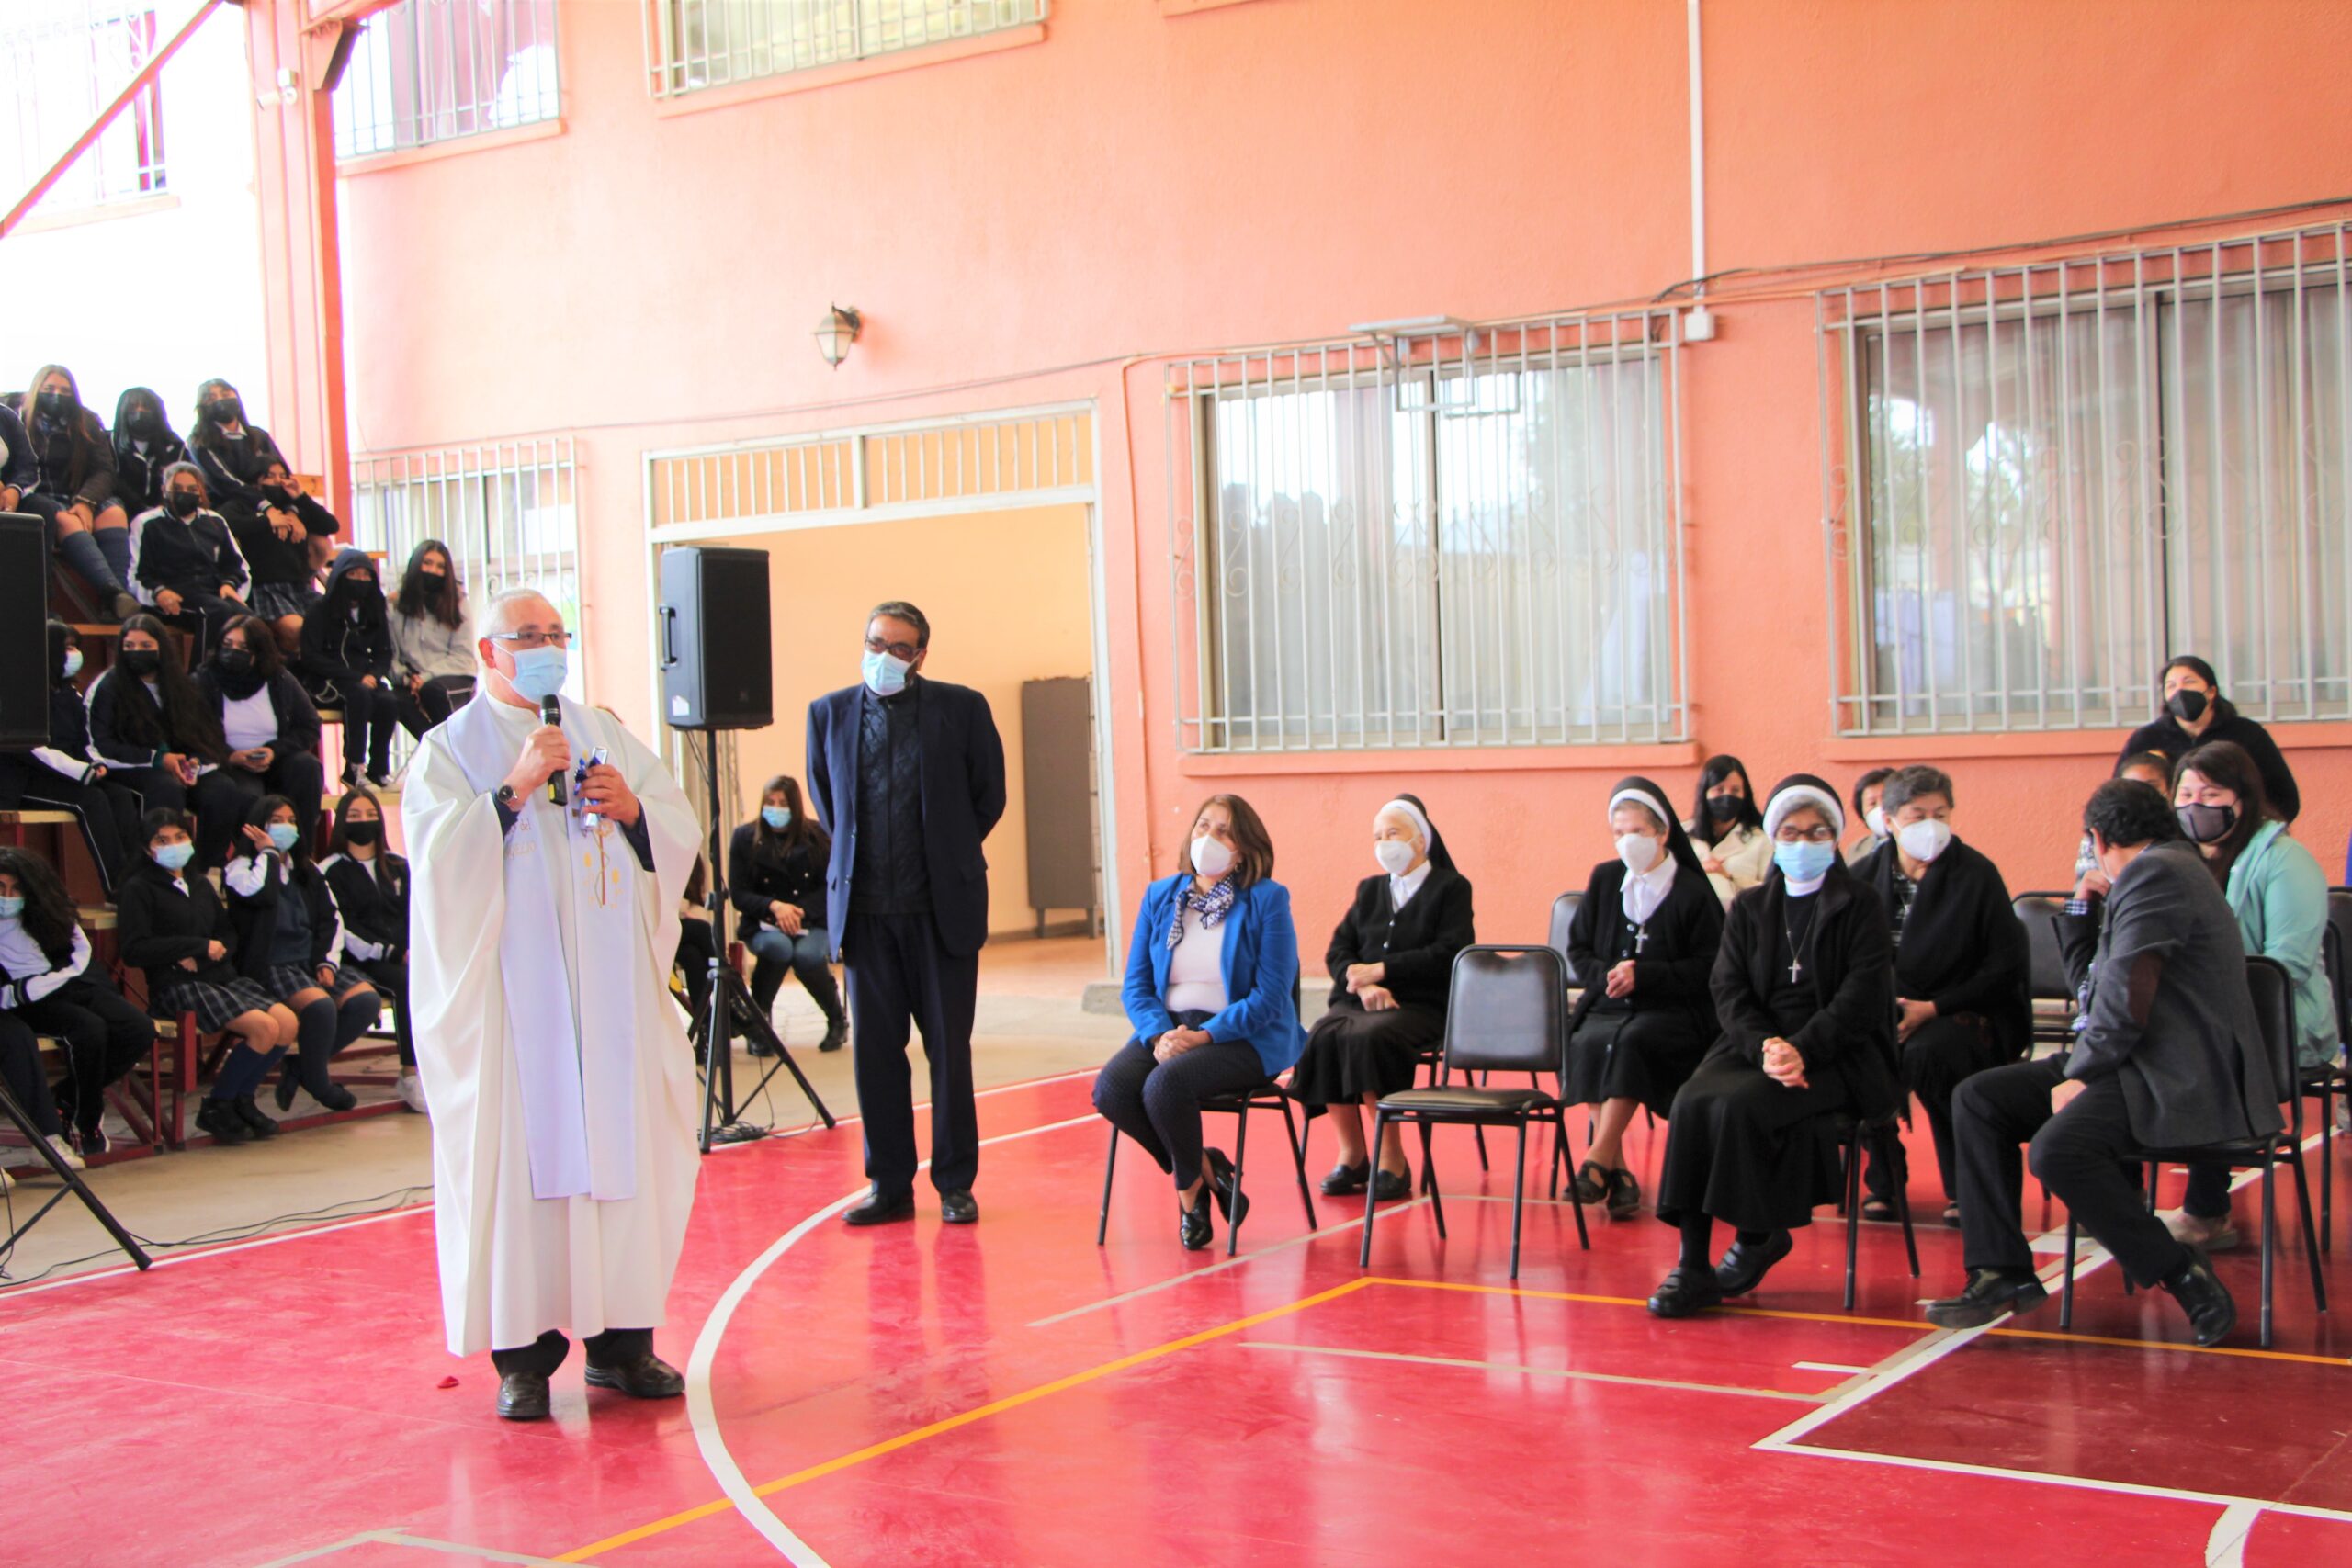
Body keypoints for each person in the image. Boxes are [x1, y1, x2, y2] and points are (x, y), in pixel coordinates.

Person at [404, 587, 702, 1421]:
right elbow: (435, 871)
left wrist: (635, 811)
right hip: (515, 1010)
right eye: (526, 635)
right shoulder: (448, 750)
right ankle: (525, 1360)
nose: (545, 647)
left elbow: (674, 826)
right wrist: (513, 789)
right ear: (488, 652)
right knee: (519, 1176)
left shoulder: (601, 729)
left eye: (554, 633)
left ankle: (622, 1345)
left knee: (620, 1159)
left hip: (607, 1004)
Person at [1925, 780, 2277, 1347]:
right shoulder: (2158, 871)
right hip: (2137, 1060)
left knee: (2059, 1149)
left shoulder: (2159, 875)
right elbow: (2092, 993)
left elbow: (2126, 1001)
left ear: (2098, 838)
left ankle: (2181, 1271)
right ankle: (2000, 1271)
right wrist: (2080, 909)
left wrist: (2079, 1074)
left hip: (2178, 1072)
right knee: (1980, 1098)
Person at [1646, 774, 1898, 1318]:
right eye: (1790, 832)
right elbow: (1727, 987)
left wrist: (1803, 1049)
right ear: (1774, 838)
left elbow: (1863, 996)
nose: (1803, 843)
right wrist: (1766, 1046)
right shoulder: (1752, 905)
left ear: (1834, 838)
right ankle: (1693, 1264)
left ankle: (1756, 1235)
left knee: (1742, 1105)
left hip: (1839, 1051)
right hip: (1757, 1043)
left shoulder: (1861, 904)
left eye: (1816, 832)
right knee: (1692, 1100)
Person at [807, 601, 1006, 1228]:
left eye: (898, 648)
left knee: (948, 1052)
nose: (884, 656)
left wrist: (947, 853)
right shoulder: (828, 713)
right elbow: (828, 803)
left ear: (920, 655)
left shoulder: (962, 708)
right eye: (876, 643)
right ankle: (889, 1184)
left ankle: (955, 1183)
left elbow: (988, 796)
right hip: (866, 915)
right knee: (875, 1056)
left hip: (938, 911)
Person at [1095, 795, 1306, 1249]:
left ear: (1244, 848)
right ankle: (1208, 1169)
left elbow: (1271, 996)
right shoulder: (1161, 896)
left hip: (1243, 1037)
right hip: (1169, 1029)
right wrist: (1159, 1036)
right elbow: (1136, 986)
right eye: (1203, 826)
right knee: (1111, 1089)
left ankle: (1190, 1202)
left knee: (1164, 1086)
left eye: (1223, 831)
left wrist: (1206, 1036)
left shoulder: (1267, 899)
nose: (1208, 837)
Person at [2160, 741, 2336, 1253]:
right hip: (2211, 1017)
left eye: (2211, 794)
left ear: (2244, 798)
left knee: (2204, 1052)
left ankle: (2206, 1211)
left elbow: (2286, 967)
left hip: (2283, 1023)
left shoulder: (2285, 860)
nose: (2195, 805)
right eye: (2185, 794)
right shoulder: (2181, 860)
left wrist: (2209, 1002)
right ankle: (2123, 1193)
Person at [1853, 766, 2030, 1227]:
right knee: (1860, 1050)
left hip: (1962, 1009)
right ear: (1888, 820)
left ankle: (1962, 1185)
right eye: (1917, 816)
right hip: (1884, 1009)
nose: (1931, 825)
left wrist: (1933, 1008)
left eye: (1940, 814)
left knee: (1931, 1054)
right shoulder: (1860, 878)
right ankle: (1884, 1178)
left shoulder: (1976, 875)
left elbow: (2004, 967)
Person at [1288, 795, 1474, 1202]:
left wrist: (1384, 971)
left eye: (1394, 833)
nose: (1384, 842)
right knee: (1321, 1036)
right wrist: (1363, 984)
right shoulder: (1370, 890)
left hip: (1421, 1005)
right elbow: (1340, 950)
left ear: (1420, 839)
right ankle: (1353, 1154)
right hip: (1361, 1001)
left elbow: (1451, 951)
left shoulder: (1451, 888)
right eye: (1378, 836)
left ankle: (1392, 1159)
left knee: (1369, 1039)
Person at [1561, 778, 1724, 1220]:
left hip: (1673, 1010)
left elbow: (1709, 965)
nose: (1627, 841)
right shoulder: (1605, 879)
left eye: (1637, 831)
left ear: (1663, 833)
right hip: (1607, 1003)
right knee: (1588, 1041)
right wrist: (1608, 977)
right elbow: (1578, 949)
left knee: (1630, 1042)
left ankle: (1597, 1159)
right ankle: (1615, 1171)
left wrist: (1645, 976)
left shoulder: (1692, 891)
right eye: (1619, 833)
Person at [115, 807, 300, 1146]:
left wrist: (205, 954)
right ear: (147, 849)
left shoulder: (199, 883)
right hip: (175, 985)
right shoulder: (138, 889)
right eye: (162, 841)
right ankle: (218, 1104)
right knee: (263, 1027)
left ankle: (242, 1099)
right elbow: (134, 949)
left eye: (179, 837)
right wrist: (195, 946)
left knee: (286, 1022)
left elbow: (227, 934)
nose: (173, 845)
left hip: (217, 974)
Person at [224, 795, 379, 1116]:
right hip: (272, 964)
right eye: (276, 821)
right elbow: (261, 895)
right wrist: (268, 853)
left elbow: (330, 918)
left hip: (309, 960)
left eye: (291, 821)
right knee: (320, 1007)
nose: (286, 827)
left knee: (365, 1001)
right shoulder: (240, 869)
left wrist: (326, 961)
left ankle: (303, 1065)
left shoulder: (307, 869)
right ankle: (319, 1081)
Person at [0, 848, 153, 1158]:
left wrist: (48, 982)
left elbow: (78, 954)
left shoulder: (47, 911)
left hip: (66, 981)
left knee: (138, 1028)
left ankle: (66, 1098)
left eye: (16, 889)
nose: (8, 897)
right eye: (1, 888)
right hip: (22, 998)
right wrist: (22, 992)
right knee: (88, 1029)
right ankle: (86, 1120)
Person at [85, 614, 249, 869]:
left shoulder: (182, 684)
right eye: (129, 646)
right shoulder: (107, 686)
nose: (137, 652)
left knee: (223, 790)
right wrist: (159, 760)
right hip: (130, 767)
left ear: (161, 647)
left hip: (180, 766)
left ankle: (208, 869)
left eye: (145, 645)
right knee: (165, 788)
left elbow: (204, 735)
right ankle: (158, 869)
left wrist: (194, 763)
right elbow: (100, 746)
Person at [0, 620, 133, 895]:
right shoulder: (19, 695)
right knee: (91, 800)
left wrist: (94, 764)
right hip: (22, 782)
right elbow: (30, 747)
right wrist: (81, 772)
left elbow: (84, 741)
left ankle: (136, 877)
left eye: (75, 647)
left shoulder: (70, 694)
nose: (74, 654)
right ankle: (117, 887)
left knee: (120, 794)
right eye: (67, 648)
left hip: (65, 774)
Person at [320, 789, 423, 1114]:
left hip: (407, 953)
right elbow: (341, 925)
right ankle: (410, 1072)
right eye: (354, 816)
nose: (363, 821)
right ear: (341, 822)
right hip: (360, 959)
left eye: (370, 814)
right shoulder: (329, 870)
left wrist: (416, 948)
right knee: (406, 981)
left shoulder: (399, 865)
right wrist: (391, 952)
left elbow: (417, 912)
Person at [729, 775, 849, 1053]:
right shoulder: (744, 838)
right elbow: (739, 893)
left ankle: (836, 1019)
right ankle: (758, 1026)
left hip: (812, 920)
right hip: (764, 923)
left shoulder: (817, 835)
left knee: (806, 954)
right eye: (770, 802)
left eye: (783, 803)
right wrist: (775, 907)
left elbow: (829, 886)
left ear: (795, 805)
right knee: (778, 947)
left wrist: (798, 911)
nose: (776, 808)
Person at [192, 614, 328, 840]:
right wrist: (231, 756)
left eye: (243, 648)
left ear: (259, 652)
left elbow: (310, 725)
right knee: (248, 798)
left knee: (307, 767)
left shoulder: (279, 679)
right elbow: (194, 733)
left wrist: (274, 750)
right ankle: (252, 855)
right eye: (227, 645)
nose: (232, 652)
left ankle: (301, 850)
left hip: (274, 759)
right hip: (227, 762)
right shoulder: (203, 681)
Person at [16, 365, 137, 618]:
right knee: (67, 521)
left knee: (114, 513)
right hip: (40, 496)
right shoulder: (18, 420)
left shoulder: (87, 422)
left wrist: (86, 501)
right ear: (37, 389)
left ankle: (118, 604)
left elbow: (104, 469)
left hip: (81, 494)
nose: (57, 395)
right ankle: (112, 591)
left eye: (65, 391)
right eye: (50, 389)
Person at [2120, 655, 2299, 821]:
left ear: (2211, 691)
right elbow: (2119, 794)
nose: (2180, 691)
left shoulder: (2248, 734)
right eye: (2171, 686)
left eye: (2189, 682)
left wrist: (2251, 829)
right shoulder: (2145, 739)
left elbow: (2283, 797)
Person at [299, 548, 401, 787]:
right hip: (327, 680)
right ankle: (354, 767)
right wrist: (355, 677)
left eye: (366, 576)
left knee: (389, 702)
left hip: (365, 678)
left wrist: (374, 674)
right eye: (354, 574)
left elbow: (384, 652)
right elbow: (311, 656)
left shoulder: (374, 610)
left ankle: (379, 769)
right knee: (359, 696)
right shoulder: (319, 610)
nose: (360, 580)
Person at [128, 462, 251, 653]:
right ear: (164, 490)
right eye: (177, 488)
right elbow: (137, 574)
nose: (185, 493)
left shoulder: (215, 521)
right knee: (216, 611)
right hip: (172, 595)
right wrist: (159, 592)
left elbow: (237, 565)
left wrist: (230, 584)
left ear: (201, 492)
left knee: (249, 621)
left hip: (214, 592)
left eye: (192, 489)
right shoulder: (147, 523)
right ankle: (201, 671)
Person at [225, 457, 337, 658]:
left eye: (282, 476)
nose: (277, 481)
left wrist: (300, 497)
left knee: (335, 621)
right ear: (256, 480)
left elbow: (330, 525)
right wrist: (267, 521)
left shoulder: (293, 508)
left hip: (299, 586)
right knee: (295, 629)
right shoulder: (243, 505)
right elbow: (225, 522)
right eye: (270, 476)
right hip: (265, 588)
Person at [388, 538, 477, 737]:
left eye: (440, 566)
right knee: (393, 700)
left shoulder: (458, 603)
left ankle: (450, 746)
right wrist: (407, 679)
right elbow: (391, 655)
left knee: (432, 691)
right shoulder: (395, 604)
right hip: (412, 678)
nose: (433, 571)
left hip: (451, 675)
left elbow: (462, 656)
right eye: (427, 563)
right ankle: (434, 747)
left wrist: (426, 677)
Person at [186, 378, 289, 532]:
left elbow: (283, 474)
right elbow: (224, 482)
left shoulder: (259, 436)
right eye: (212, 398)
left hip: (272, 506)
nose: (221, 400)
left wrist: (291, 513)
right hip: (229, 510)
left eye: (225, 394)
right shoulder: (200, 441)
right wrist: (267, 509)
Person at [1684, 754, 1771, 908]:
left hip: (1741, 918)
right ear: (1705, 792)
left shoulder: (1761, 838)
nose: (1727, 797)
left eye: (1735, 790)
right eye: (1719, 789)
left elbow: (1770, 892)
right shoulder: (1684, 834)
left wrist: (1728, 876)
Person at [109, 387, 187, 519]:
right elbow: (113, 481)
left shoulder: (175, 446)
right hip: (123, 511)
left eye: (146, 407)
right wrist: (141, 508)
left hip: (165, 514)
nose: (140, 412)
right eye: (133, 407)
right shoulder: (110, 442)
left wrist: (161, 510)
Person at [1846, 767, 1894, 867]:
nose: (1881, 808)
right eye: (1872, 803)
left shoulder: (1916, 844)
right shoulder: (1856, 849)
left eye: (1885, 799)